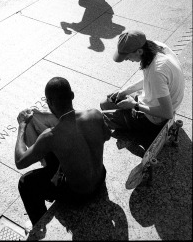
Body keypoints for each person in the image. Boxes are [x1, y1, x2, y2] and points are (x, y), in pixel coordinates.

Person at [15, 77, 111, 228]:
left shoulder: (50, 136)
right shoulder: (95, 114)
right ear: (72, 95)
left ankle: (39, 225)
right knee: (60, 151)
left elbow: (20, 162)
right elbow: (107, 136)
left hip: (78, 194)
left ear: (49, 103)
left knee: (25, 182)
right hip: (100, 179)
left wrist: (22, 126)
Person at [100, 30, 185, 147]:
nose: (125, 59)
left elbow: (167, 113)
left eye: (127, 56)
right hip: (153, 100)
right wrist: (126, 91)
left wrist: (135, 105)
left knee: (100, 119)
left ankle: (136, 131)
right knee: (105, 103)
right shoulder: (157, 47)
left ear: (139, 51)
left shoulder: (157, 71)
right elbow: (150, 80)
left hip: (156, 119)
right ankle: (127, 121)